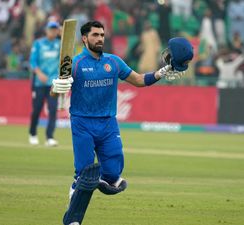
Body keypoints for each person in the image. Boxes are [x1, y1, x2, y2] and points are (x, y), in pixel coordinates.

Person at [51, 21, 193, 225]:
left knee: (113, 174)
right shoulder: (75, 64)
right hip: (83, 123)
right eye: (95, 35)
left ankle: (91, 183)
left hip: (108, 124)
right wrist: (57, 86)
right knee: (85, 174)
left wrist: (162, 72)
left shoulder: (113, 62)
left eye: (102, 34)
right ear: (84, 38)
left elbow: (139, 80)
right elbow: (56, 92)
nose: (100, 38)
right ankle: (72, 219)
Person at [29, 21, 60, 146]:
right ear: (46, 30)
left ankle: (49, 137)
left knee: (53, 110)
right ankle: (32, 133)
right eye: (51, 29)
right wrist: (39, 73)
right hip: (39, 83)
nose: (53, 32)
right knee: (37, 109)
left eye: (55, 29)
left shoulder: (60, 44)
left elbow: (69, 56)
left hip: (53, 83)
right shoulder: (38, 43)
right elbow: (32, 61)